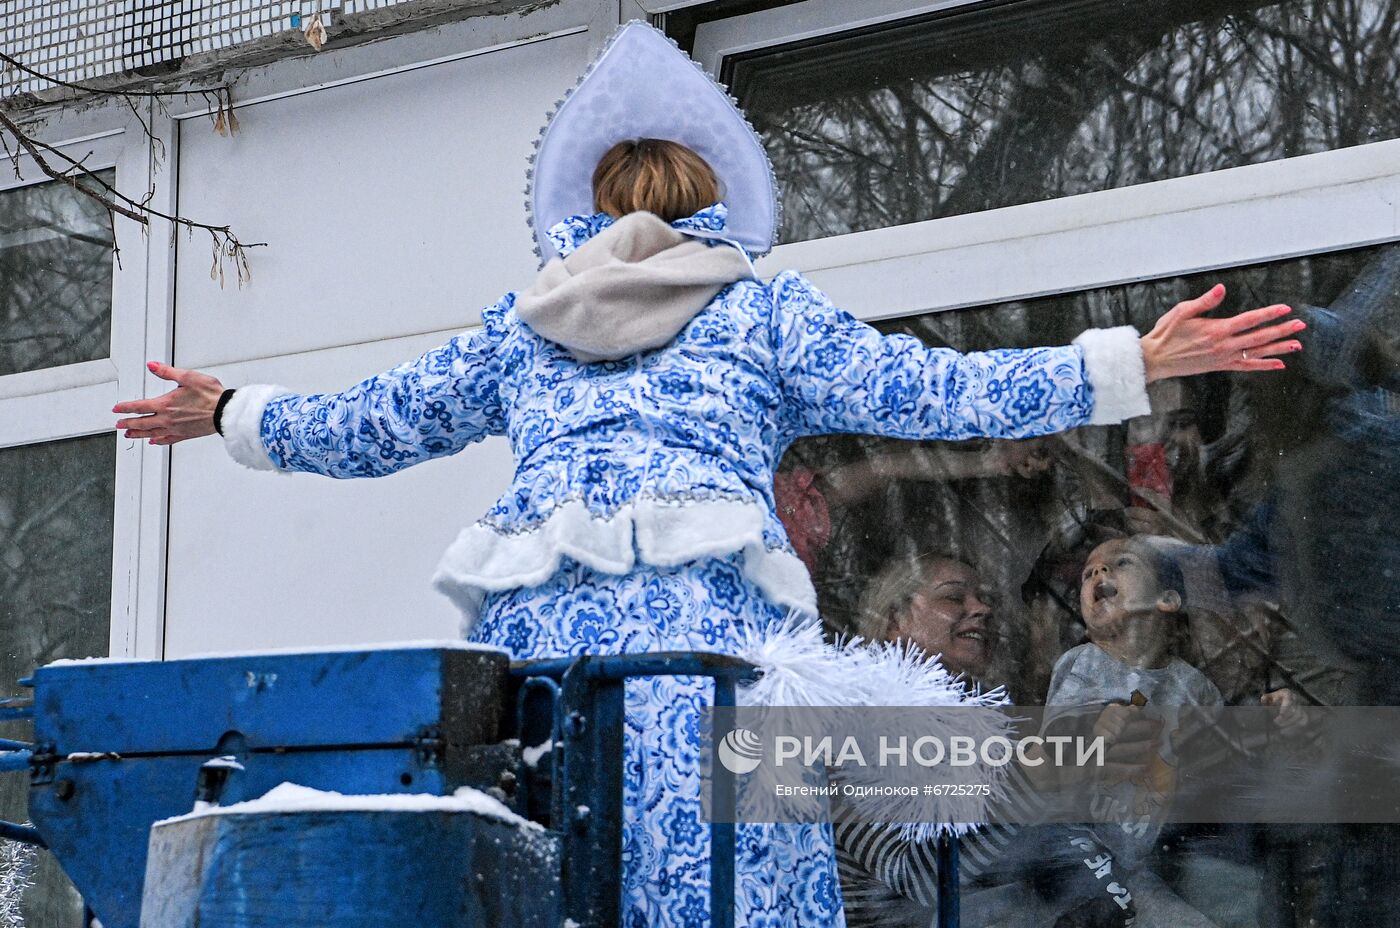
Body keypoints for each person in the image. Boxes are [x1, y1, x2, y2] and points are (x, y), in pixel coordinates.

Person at [109, 21, 1305, 928]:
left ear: (582, 210)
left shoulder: (522, 327)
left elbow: (377, 421)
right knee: (733, 883)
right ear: (711, 205)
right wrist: (1126, 361)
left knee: (556, 872)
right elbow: (937, 395)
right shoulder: (761, 311)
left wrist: (231, 411)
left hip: (554, 675)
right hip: (711, 672)